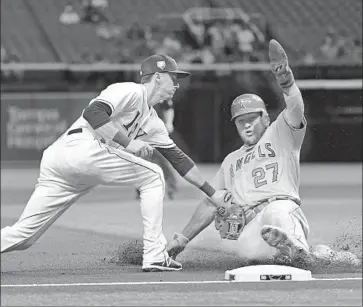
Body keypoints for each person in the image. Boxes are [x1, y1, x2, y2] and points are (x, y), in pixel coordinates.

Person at [1, 54, 234, 272]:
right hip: (79, 147)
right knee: (153, 175)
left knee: (24, 237)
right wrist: (129, 144)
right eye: (174, 78)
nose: (177, 84)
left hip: (68, 164)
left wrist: (212, 193)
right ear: (158, 77)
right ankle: (154, 254)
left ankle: (155, 253)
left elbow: (179, 160)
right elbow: (93, 113)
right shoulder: (130, 91)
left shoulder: (153, 122)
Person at [166, 40, 360, 269]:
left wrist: (287, 82)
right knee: (251, 253)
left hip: (282, 209)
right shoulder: (231, 161)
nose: (246, 125)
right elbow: (210, 203)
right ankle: (310, 254)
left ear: (266, 118)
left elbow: (296, 108)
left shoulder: (280, 133)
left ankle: (297, 250)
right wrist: (181, 241)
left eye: (252, 119)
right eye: (240, 121)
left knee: (277, 212)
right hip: (251, 227)